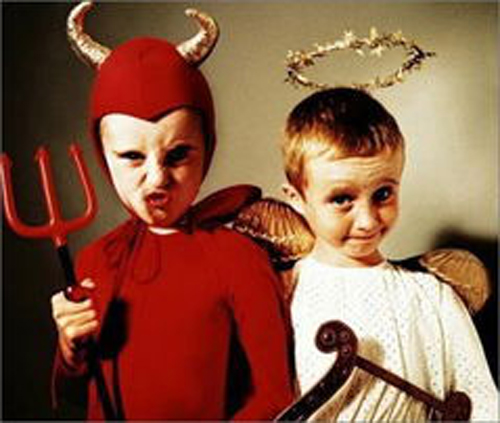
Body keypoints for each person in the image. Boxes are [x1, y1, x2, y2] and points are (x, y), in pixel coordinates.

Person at [50, 2, 293, 420]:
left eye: (178, 155)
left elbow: (275, 395)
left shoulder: (238, 259)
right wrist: (70, 350)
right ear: (103, 155)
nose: (157, 178)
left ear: (207, 147)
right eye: (132, 156)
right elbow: (76, 398)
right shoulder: (96, 261)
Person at [278, 87, 498, 421]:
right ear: (296, 198)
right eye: (342, 199)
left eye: (383, 194)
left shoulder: (433, 296)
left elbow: (484, 403)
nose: (367, 221)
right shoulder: (280, 292)